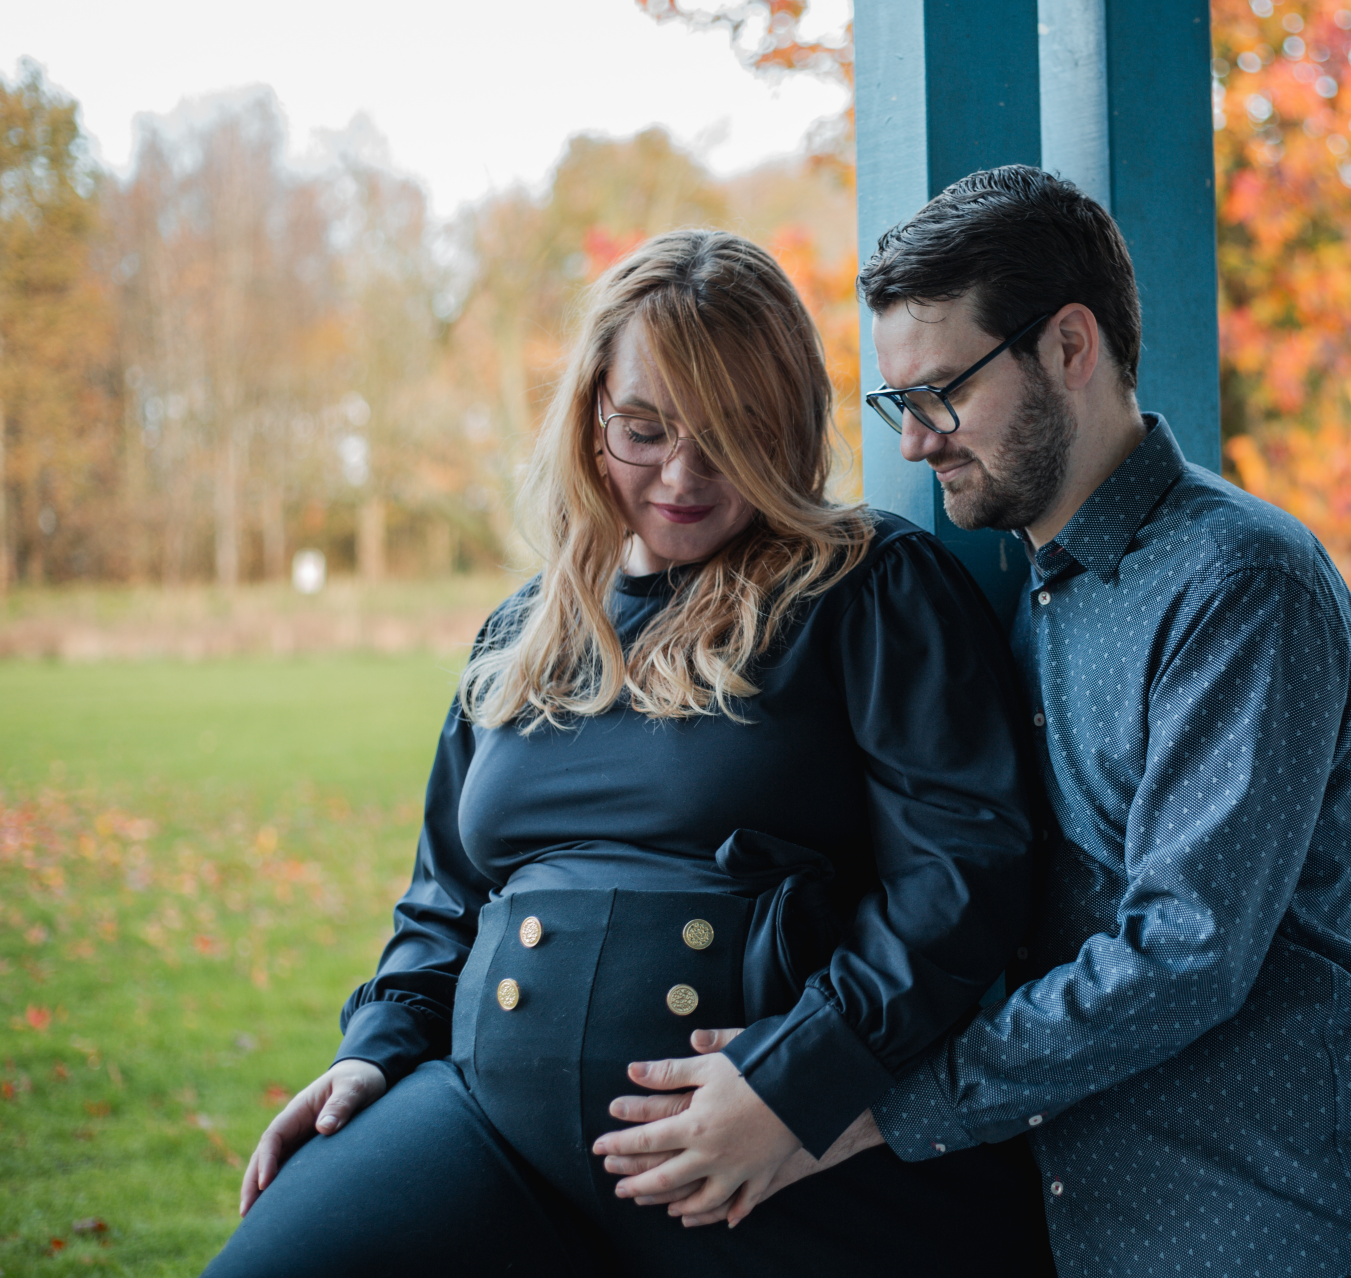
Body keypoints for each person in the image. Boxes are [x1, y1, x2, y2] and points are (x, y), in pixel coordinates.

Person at [603, 168, 1351, 1278]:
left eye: (941, 395)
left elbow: (1184, 953)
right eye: (896, 405)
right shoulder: (1016, 600)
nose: (915, 443)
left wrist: (844, 1103)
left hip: (1308, 1235)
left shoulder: (1240, 584)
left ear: (1071, 347)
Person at [204, 228, 1056, 1278]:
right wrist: (374, 1051)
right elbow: (444, 897)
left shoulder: (867, 584)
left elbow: (963, 878)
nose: (683, 473)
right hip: (487, 1132)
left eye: (732, 432)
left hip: (764, 1147)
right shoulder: (523, 631)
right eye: (644, 429)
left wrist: (796, 1081)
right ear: (590, 415)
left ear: (788, 425)